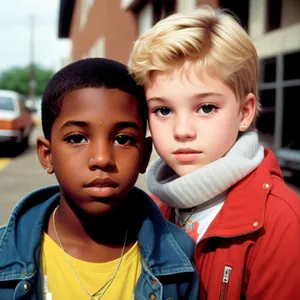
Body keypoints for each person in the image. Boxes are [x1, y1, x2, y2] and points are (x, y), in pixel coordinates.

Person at [128, 5, 300, 300]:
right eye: (163, 110)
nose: (182, 130)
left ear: (244, 112)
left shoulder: (282, 223)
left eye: (206, 107)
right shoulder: (153, 208)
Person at [0, 58, 199, 300]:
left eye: (123, 139)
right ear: (47, 154)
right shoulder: (3, 257)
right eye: (76, 138)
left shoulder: (179, 257)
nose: (102, 159)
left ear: (145, 155)